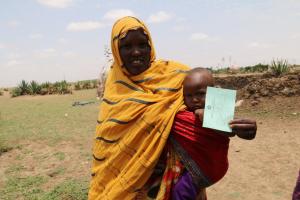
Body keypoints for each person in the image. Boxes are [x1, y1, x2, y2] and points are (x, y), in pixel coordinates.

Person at [89, 16, 257, 200]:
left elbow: (210, 110)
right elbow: (108, 149)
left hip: (184, 183)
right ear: (116, 51)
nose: (136, 52)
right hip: (138, 190)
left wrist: (238, 126)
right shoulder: (115, 91)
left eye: (142, 45)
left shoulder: (178, 75)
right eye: (127, 46)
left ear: (150, 46)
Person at [168, 68, 255, 200]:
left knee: (180, 193)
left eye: (201, 94)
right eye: (189, 96)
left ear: (214, 92)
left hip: (208, 166)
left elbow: (229, 130)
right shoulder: (183, 111)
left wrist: (209, 117)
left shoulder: (215, 109)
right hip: (195, 165)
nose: (195, 100)